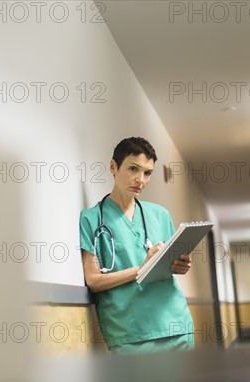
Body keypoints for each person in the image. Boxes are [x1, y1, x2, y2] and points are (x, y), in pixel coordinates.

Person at [79, 137, 195, 355]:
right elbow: (93, 280)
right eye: (133, 169)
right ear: (114, 166)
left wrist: (182, 265)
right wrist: (142, 269)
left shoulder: (160, 214)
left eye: (148, 173)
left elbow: (172, 263)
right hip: (128, 333)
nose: (140, 179)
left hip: (175, 324)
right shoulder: (91, 219)